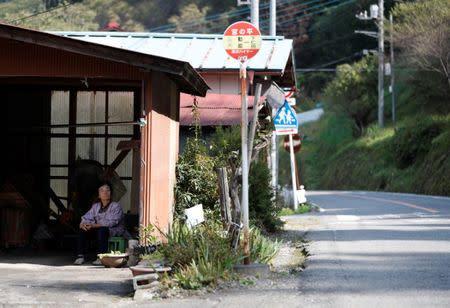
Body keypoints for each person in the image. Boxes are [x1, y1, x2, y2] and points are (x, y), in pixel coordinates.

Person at [73, 181, 125, 265]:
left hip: (113, 230)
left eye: (108, 190)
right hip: (98, 229)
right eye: (102, 190)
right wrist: (83, 223)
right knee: (82, 229)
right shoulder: (96, 206)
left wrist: (93, 225)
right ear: (98, 195)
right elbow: (87, 217)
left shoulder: (116, 206)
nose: (105, 192)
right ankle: (80, 256)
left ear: (111, 193)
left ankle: (100, 257)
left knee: (102, 230)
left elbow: (112, 222)